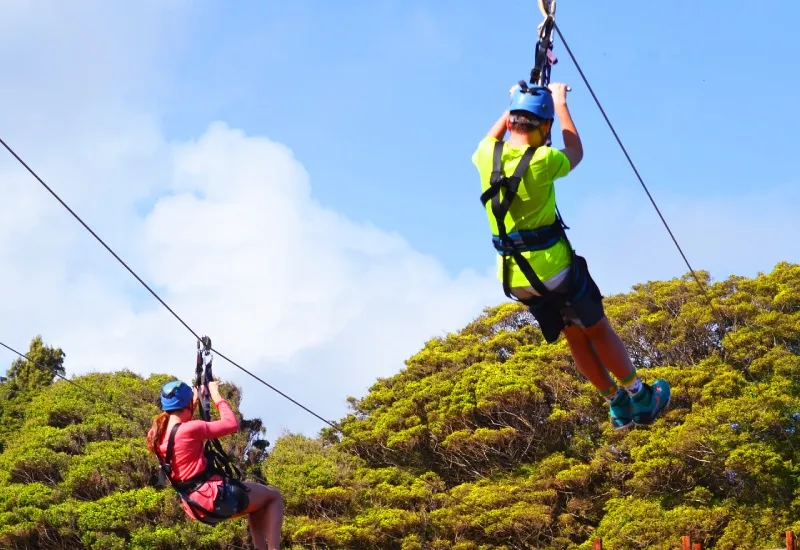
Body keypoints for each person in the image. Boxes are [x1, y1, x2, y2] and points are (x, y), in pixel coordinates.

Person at [471, 81, 671, 429]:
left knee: (572, 334)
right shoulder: (544, 160)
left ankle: (616, 403)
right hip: (553, 270)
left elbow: (498, 130)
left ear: (512, 121)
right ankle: (640, 394)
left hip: (515, 278)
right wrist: (560, 102)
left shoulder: (486, 155)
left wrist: (517, 99)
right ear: (544, 127)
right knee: (596, 328)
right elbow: (575, 151)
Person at [147, 380, 284, 550]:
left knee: (257, 505)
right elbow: (231, 424)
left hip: (193, 505)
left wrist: (195, 399)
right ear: (187, 404)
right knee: (274, 497)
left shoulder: (156, 433)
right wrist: (215, 394)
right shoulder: (190, 429)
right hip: (212, 497)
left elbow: (180, 424)